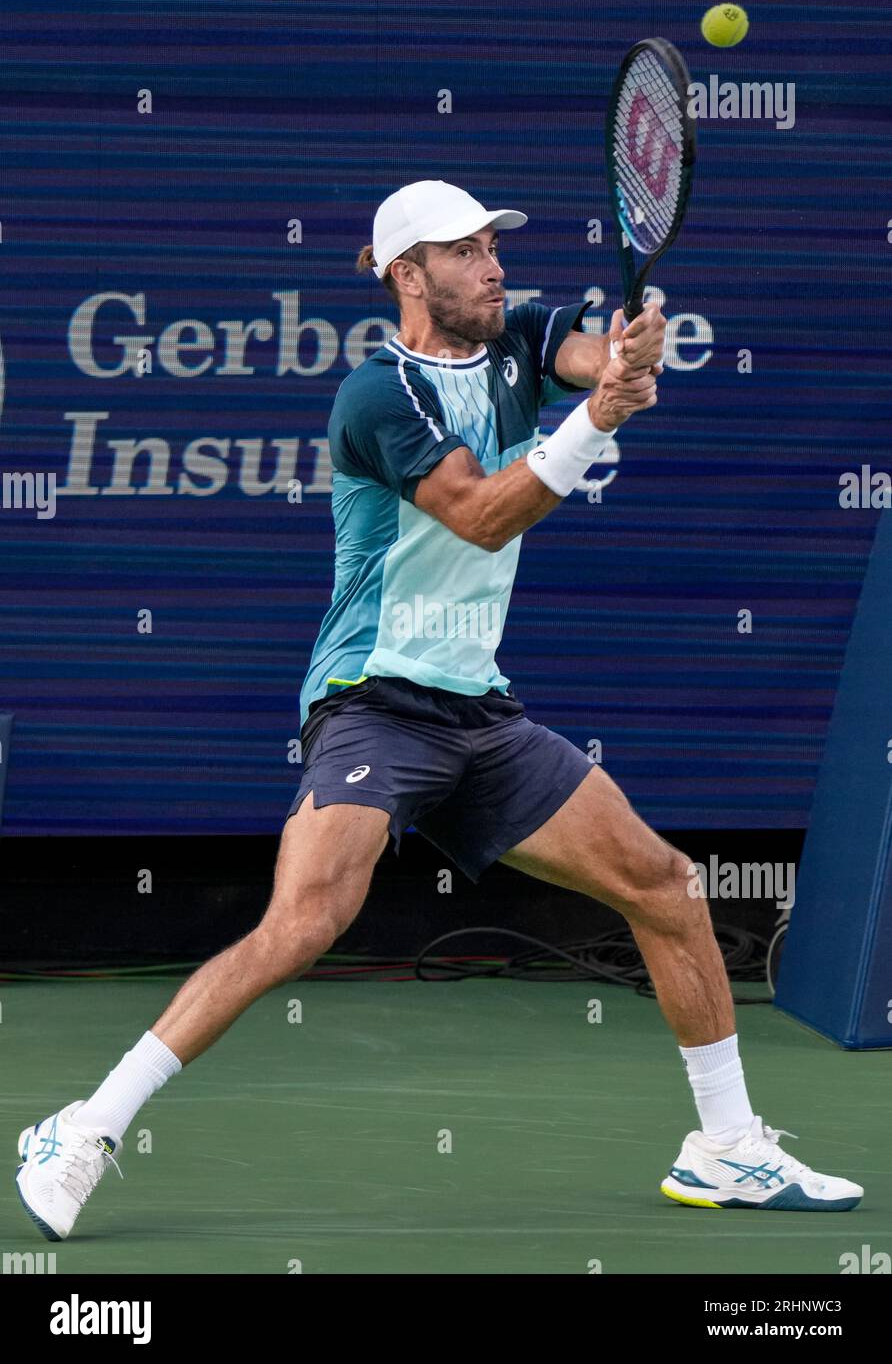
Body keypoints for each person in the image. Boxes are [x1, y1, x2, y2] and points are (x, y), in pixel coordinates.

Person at [16, 181, 862, 1242]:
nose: (492, 266)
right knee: (306, 922)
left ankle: (727, 1147)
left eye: (492, 246)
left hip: (480, 713)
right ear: (407, 275)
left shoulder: (518, 335)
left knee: (665, 884)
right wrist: (599, 416)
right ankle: (85, 1128)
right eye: (463, 253)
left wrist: (630, 358)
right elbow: (482, 517)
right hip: (372, 701)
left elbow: (593, 359)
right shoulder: (377, 397)